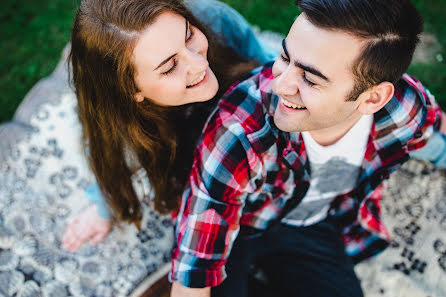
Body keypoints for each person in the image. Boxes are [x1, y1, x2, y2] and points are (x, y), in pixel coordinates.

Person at [169, 0, 442, 296]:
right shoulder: (238, 129)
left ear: (373, 99)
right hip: (240, 228)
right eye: (285, 57)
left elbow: (435, 127)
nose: (280, 85)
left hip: (314, 225)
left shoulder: (405, 109)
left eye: (310, 79)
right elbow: (194, 267)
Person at [61, 0, 277, 252]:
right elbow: (111, 159)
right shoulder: (121, 125)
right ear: (132, 90)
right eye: (170, 66)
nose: (199, 64)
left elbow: (269, 70)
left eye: (189, 36)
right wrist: (104, 206)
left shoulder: (213, 19)